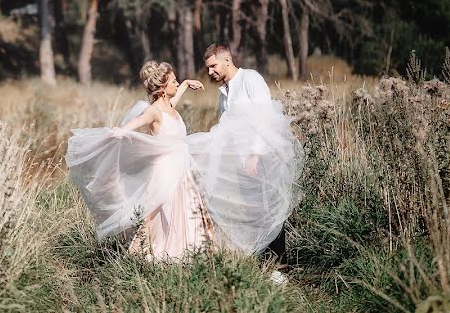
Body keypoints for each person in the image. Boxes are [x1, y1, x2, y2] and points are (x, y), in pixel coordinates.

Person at [66, 58, 303, 264]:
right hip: (166, 173)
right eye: (173, 82)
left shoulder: (168, 106)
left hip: (183, 172)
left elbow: (173, 101)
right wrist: (111, 135)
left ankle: (191, 254)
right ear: (162, 88)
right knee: (166, 214)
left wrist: (187, 84)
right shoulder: (153, 112)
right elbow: (127, 128)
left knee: (188, 213)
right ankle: (164, 256)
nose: (176, 84)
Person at [204, 43, 294, 278]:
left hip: (262, 157)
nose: (210, 72)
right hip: (241, 163)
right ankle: (264, 264)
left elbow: (265, 119)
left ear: (226, 59)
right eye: (207, 68)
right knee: (252, 211)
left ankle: (279, 268)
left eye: (213, 66)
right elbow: (224, 129)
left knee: (270, 208)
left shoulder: (251, 80)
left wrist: (255, 153)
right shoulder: (223, 93)